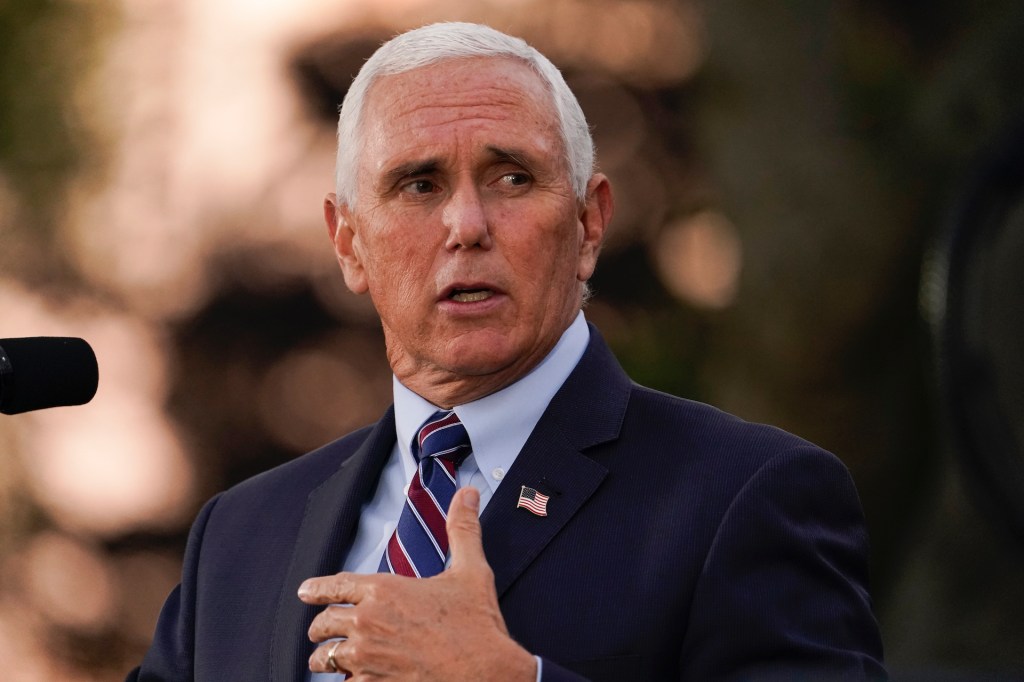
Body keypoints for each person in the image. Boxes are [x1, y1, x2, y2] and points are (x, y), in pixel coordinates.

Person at [129, 22, 887, 682]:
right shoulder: (239, 534)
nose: (466, 223)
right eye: (419, 185)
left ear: (590, 224)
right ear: (349, 244)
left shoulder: (746, 495)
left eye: (512, 178)